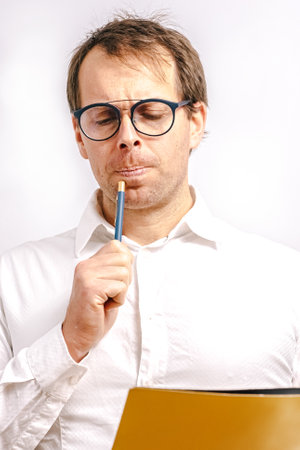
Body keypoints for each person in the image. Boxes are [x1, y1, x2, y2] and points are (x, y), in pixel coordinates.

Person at [1, 13, 300, 450]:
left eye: (151, 113)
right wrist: (69, 342)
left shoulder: (286, 279)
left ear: (195, 121)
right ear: (80, 137)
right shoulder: (12, 281)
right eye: (103, 118)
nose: (127, 138)